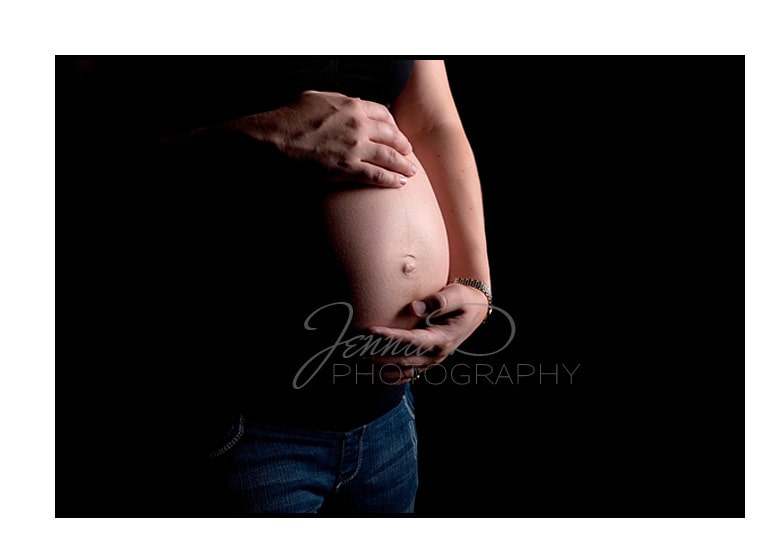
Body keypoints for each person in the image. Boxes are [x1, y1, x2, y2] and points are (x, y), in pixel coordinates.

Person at [65, 58, 491, 515]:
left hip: (386, 416)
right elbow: (78, 152)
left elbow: (432, 117)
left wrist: (476, 284)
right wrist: (261, 135)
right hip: (240, 418)